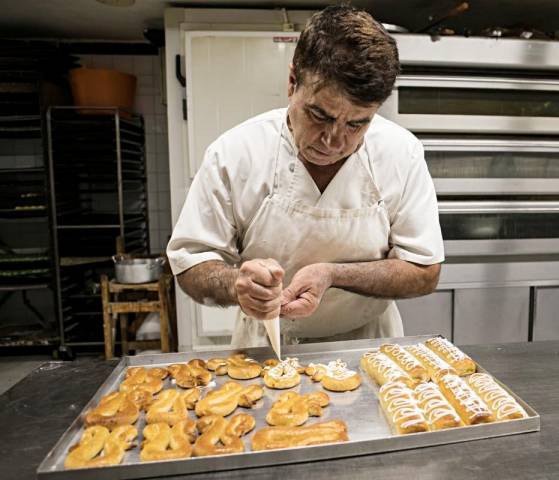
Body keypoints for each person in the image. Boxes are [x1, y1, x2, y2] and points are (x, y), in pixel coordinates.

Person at [167, 5, 444, 348]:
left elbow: (424, 271)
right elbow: (191, 265)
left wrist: (332, 274)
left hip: (370, 342)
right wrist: (236, 283)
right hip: (267, 344)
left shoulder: (401, 154)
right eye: (319, 115)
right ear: (292, 82)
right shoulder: (235, 154)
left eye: (358, 123)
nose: (334, 141)